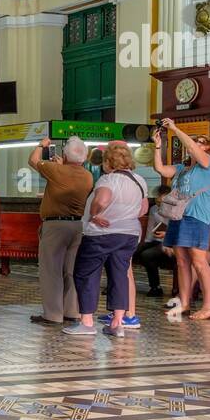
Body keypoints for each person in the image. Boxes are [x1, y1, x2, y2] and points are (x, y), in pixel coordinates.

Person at [64, 142, 148, 338]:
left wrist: (94, 215)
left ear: (107, 162)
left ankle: (86, 322)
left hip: (102, 233)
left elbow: (101, 200)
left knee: (86, 273)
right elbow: (143, 209)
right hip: (129, 235)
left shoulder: (108, 180)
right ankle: (117, 322)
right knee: (119, 275)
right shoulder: (139, 180)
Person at [152, 120, 210, 320]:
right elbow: (161, 170)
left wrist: (174, 129)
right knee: (181, 261)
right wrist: (157, 145)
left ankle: (209, 306)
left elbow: (189, 146)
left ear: (208, 149)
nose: (195, 144)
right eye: (196, 141)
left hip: (197, 216)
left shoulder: (209, 164)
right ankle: (184, 303)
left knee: (198, 261)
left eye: (201, 142)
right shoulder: (182, 168)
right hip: (179, 215)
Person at [28, 136, 93, 326]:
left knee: (51, 270)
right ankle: (72, 311)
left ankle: (53, 314)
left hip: (55, 226)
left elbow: (32, 160)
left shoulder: (56, 170)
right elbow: (68, 175)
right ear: (85, 157)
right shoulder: (88, 175)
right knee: (71, 270)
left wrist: (42, 145)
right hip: (77, 226)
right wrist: (62, 165)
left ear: (65, 154)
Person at [134, 185, 175, 296]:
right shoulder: (154, 209)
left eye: (162, 202)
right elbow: (150, 229)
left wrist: (167, 235)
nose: (159, 204)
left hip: (171, 242)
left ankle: (155, 287)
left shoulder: (176, 211)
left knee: (147, 255)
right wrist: (146, 242)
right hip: (156, 239)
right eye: (157, 201)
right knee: (133, 250)